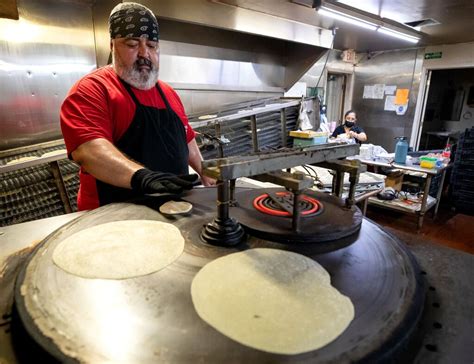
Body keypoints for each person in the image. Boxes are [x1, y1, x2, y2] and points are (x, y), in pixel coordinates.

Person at [60, 2, 214, 211]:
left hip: (174, 209)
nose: (144, 53)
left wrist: (206, 171)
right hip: (113, 215)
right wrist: (143, 178)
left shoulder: (168, 93)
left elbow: (187, 140)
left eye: (151, 45)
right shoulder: (93, 89)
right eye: (132, 44)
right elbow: (88, 151)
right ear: (113, 46)